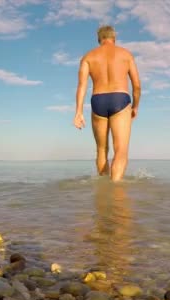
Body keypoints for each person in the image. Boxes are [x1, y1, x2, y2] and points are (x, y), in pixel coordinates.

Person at [73, 25, 141, 182]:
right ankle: (116, 191)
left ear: (99, 39)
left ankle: (103, 192)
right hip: (120, 99)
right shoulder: (126, 54)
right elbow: (137, 86)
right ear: (114, 38)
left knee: (101, 150)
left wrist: (78, 112)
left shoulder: (88, 57)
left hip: (98, 100)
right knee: (121, 151)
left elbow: (82, 86)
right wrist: (135, 106)